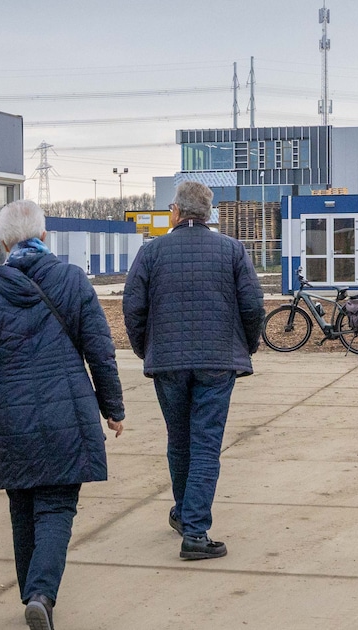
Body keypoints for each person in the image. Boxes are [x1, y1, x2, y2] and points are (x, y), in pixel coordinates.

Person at [0, 199, 125, 630]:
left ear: (2, 243)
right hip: (69, 411)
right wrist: (113, 409)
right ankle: (42, 595)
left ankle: (32, 595)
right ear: (45, 236)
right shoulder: (71, 279)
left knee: (22, 505)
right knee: (57, 506)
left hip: (11, 421)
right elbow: (100, 350)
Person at [122, 181, 265, 561]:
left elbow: (132, 308)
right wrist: (245, 346)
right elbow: (253, 306)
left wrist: (146, 349)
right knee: (205, 444)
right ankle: (195, 530)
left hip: (168, 361)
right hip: (217, 361)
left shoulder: (151, 253)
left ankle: (185, 515)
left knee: (179, 439)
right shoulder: (233, 250)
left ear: (176, 212)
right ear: (208, 214)